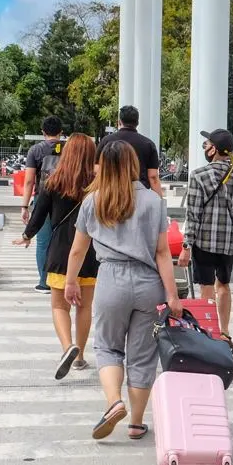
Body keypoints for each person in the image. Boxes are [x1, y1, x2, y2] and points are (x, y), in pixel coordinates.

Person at [65, 140, 181, 441]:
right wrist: (172, 295)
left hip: (110, 281)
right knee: (142, 356)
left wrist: (70, 281)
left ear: (103, 165)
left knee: (107, 347)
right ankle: (136, 423)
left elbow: (78, 250)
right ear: (133, 165)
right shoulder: (154, 201)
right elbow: (162, 253)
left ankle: (114, 402)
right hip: (148, 284)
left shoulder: (93, 201)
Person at [13, 133, 99, 380]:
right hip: (91, 252)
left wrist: (27, 235)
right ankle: (80, 356)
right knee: (84, 306)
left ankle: (67, 347)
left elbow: (38, 215)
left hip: (60, 252)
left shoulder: (53, 182)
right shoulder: (98, 183)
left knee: (59, 306)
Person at [178, 129, 233, 355]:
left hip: (204, 243)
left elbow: (193, 215)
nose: (205, 149)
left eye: (206, 145)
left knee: (206, 289)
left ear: (214, 150)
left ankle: (208, 334)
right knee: (224, 287)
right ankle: (225, 332)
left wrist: (186, 246)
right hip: (228, 244)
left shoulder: (199, 176)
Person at [21, 116, 64, 293]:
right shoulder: (69, 149)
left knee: (43, 241)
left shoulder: (35, 150)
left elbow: (29, 181)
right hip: (66, 199)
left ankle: (44, 282)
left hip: (43, 199)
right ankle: (61, 279)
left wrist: (24, 206)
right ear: (61, 133)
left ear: (43, 132)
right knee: (63, 239)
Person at [96, 105, 163, 196]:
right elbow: (153, 176)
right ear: (137, 122)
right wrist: (159, 200)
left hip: (111, 194)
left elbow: (97, 169)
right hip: (139, 196)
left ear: (119, 122)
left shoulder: (106, 141)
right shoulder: (148, 144)